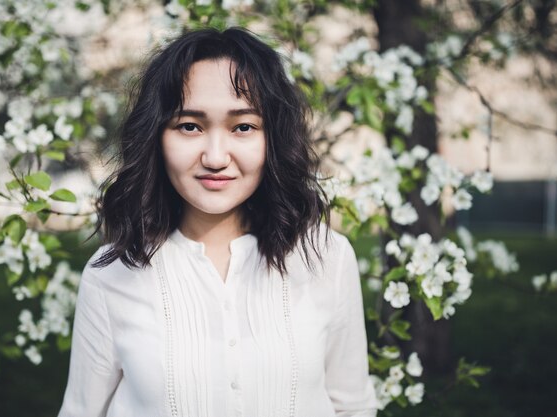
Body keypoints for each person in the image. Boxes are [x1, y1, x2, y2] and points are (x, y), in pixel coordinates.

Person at [57, 27, 377, 417]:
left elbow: (352, 407)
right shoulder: (111, 275)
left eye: (243, 126)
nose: (215, 156)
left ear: (272, 138)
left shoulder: (327, 257)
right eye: (189, 126)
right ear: (157, 138)